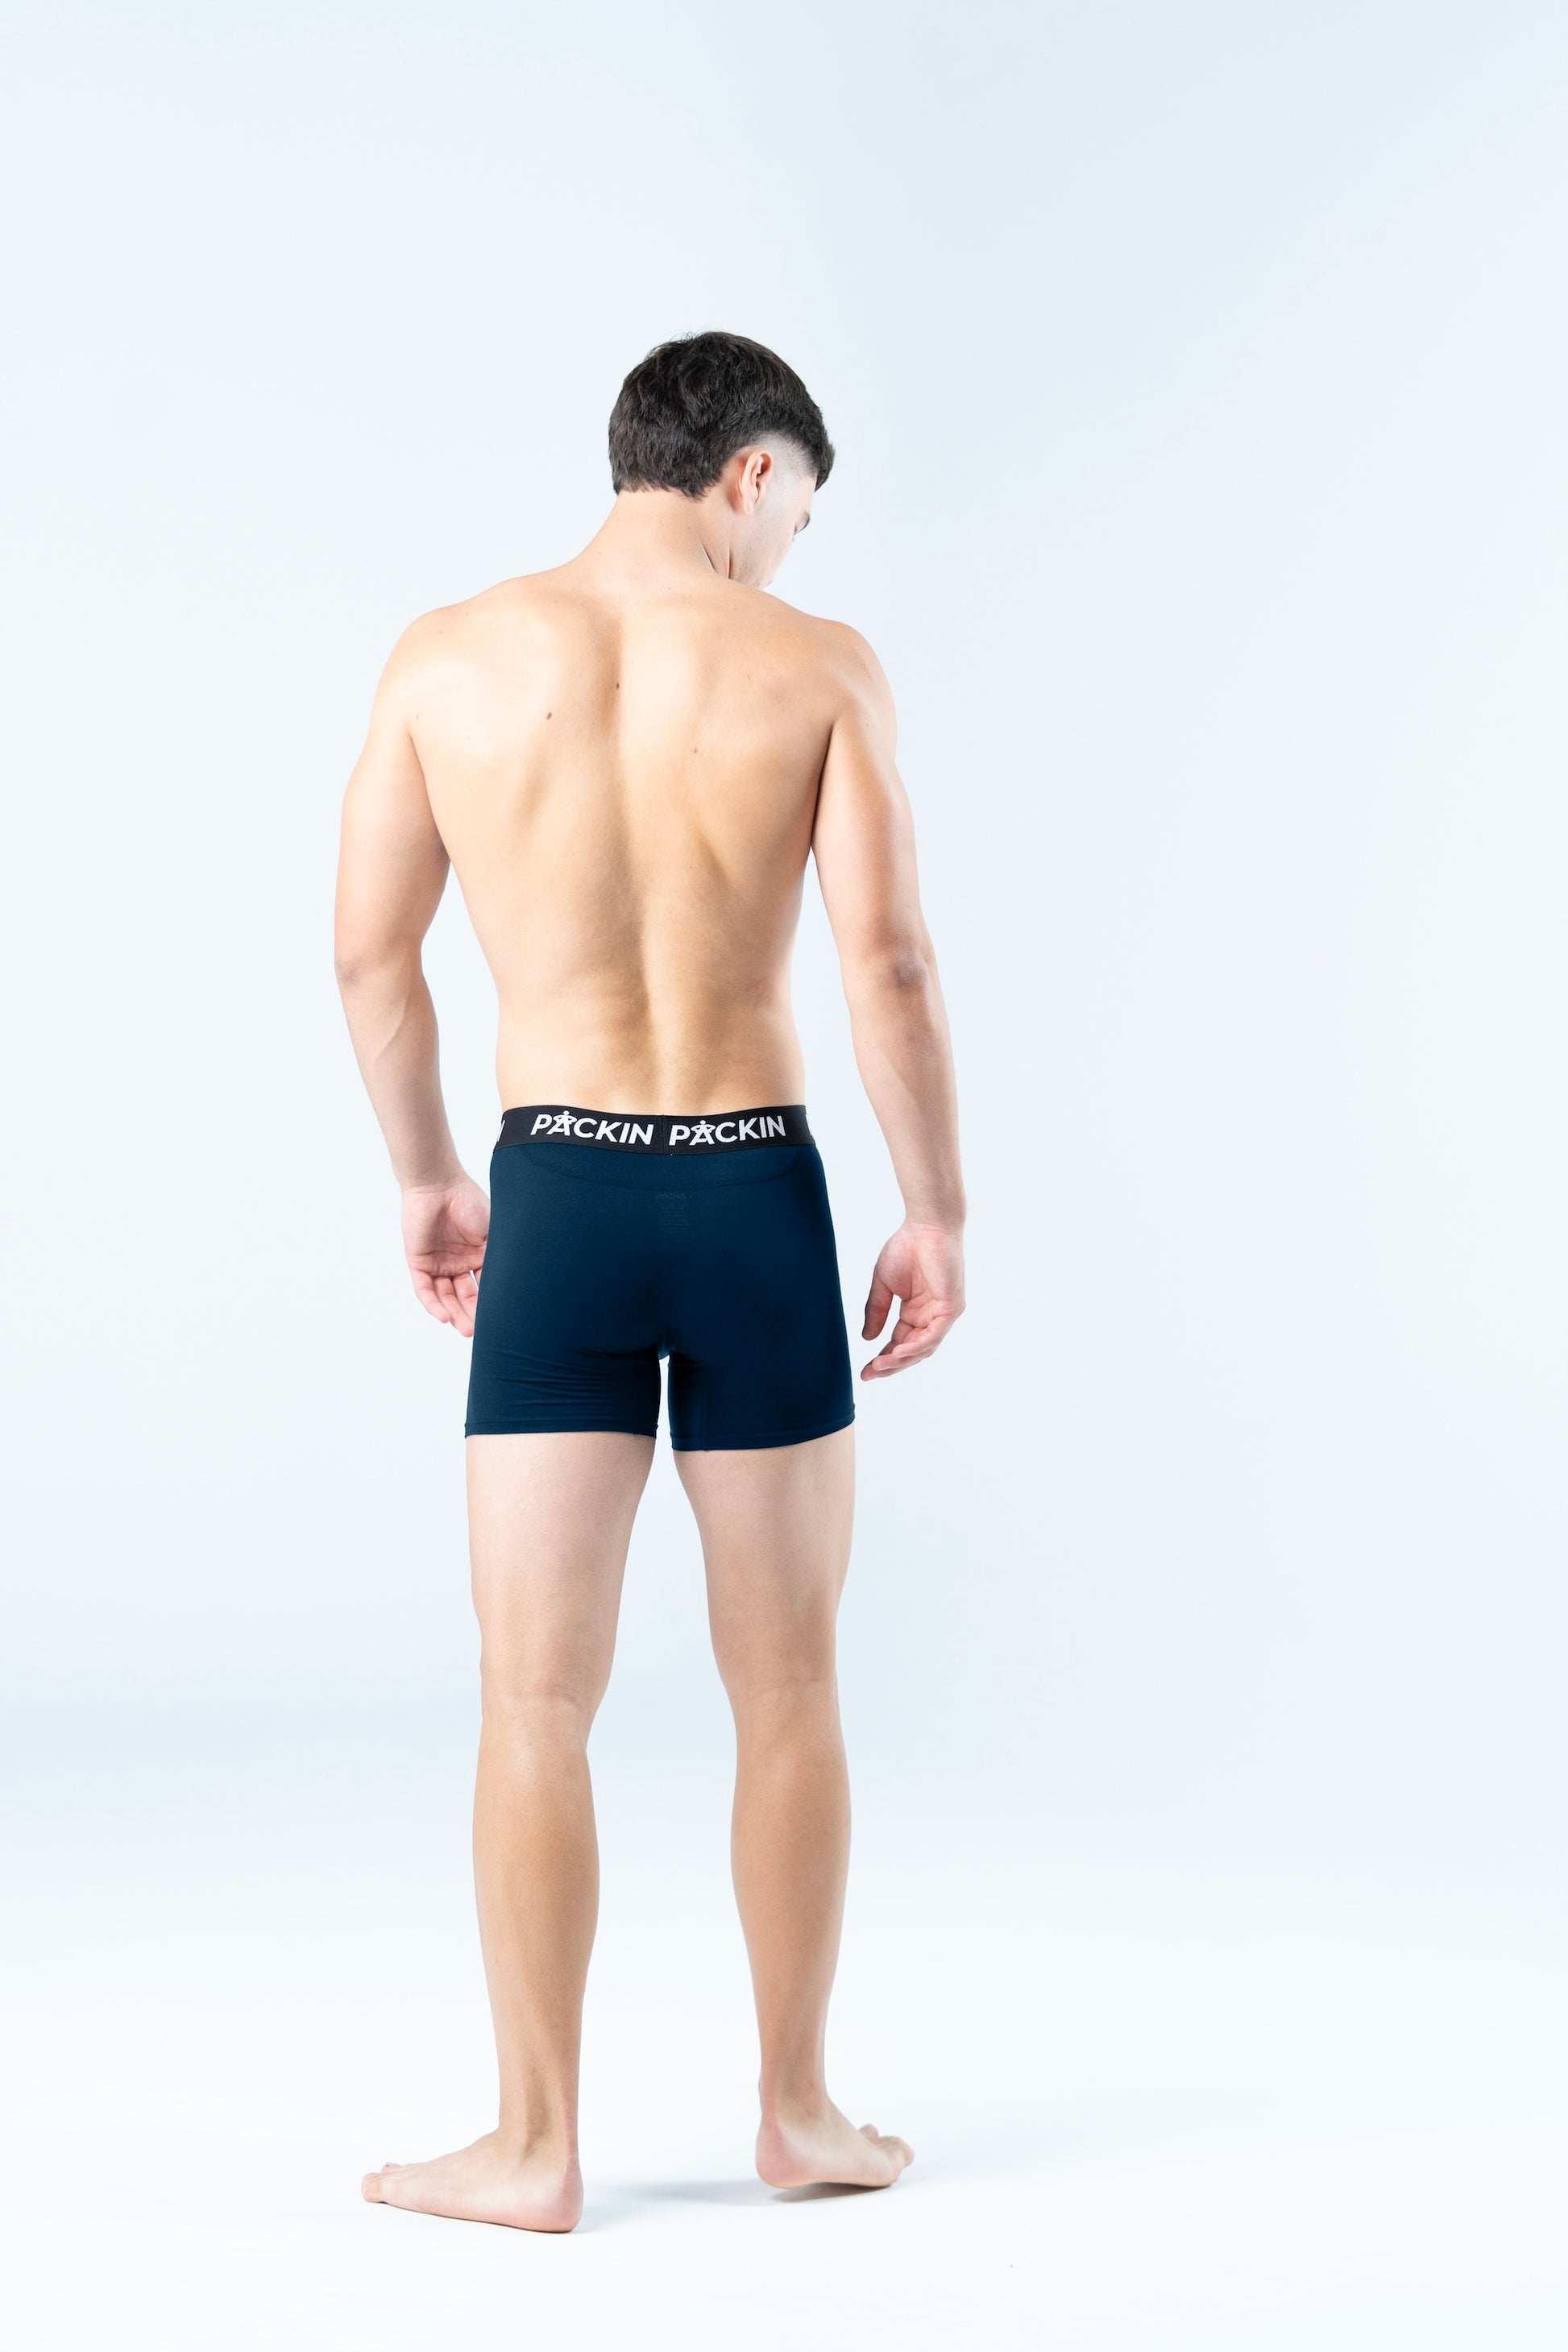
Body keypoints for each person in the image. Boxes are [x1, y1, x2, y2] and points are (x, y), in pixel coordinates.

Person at [334, 330, 966, 2231]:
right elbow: (888, 962)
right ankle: (799, 2109)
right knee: (790, 1686)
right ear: (751, 474)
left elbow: (369, 958)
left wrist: (431, 1173)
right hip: (752, 1192)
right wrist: (934, 1206)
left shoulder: (446, 656)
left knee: (531, 1694)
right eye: (798, 515)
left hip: (562, 1200)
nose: (790, 550)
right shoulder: (816, 664)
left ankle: (531, 2143)